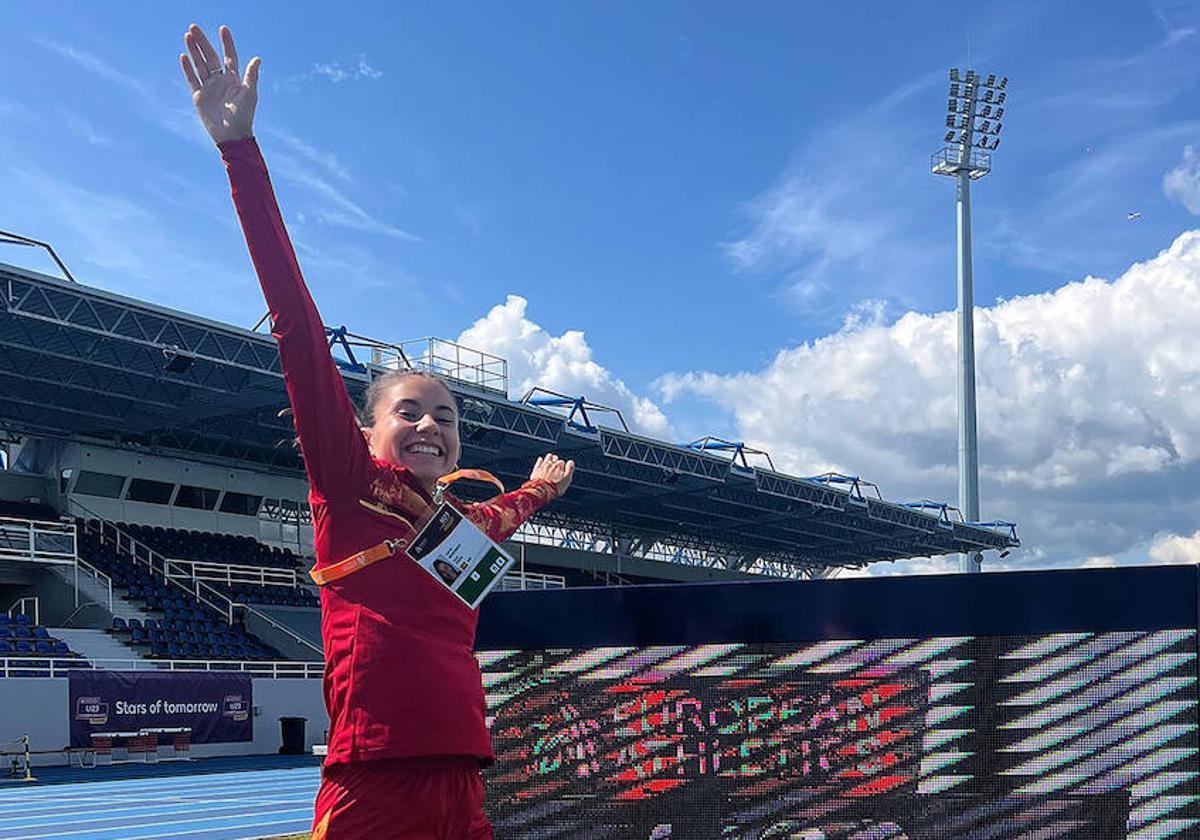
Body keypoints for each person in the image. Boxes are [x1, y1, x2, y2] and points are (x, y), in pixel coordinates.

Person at [179, 24, 575, 839]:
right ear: (365, 430)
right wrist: (240, 153)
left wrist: (545, 485)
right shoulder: (350, 484)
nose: (432, 424)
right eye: (410, 411)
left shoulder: (462, 524)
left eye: (448, 416)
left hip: (465, 778)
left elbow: (512, 511)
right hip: (374, 780)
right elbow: (295, 322)